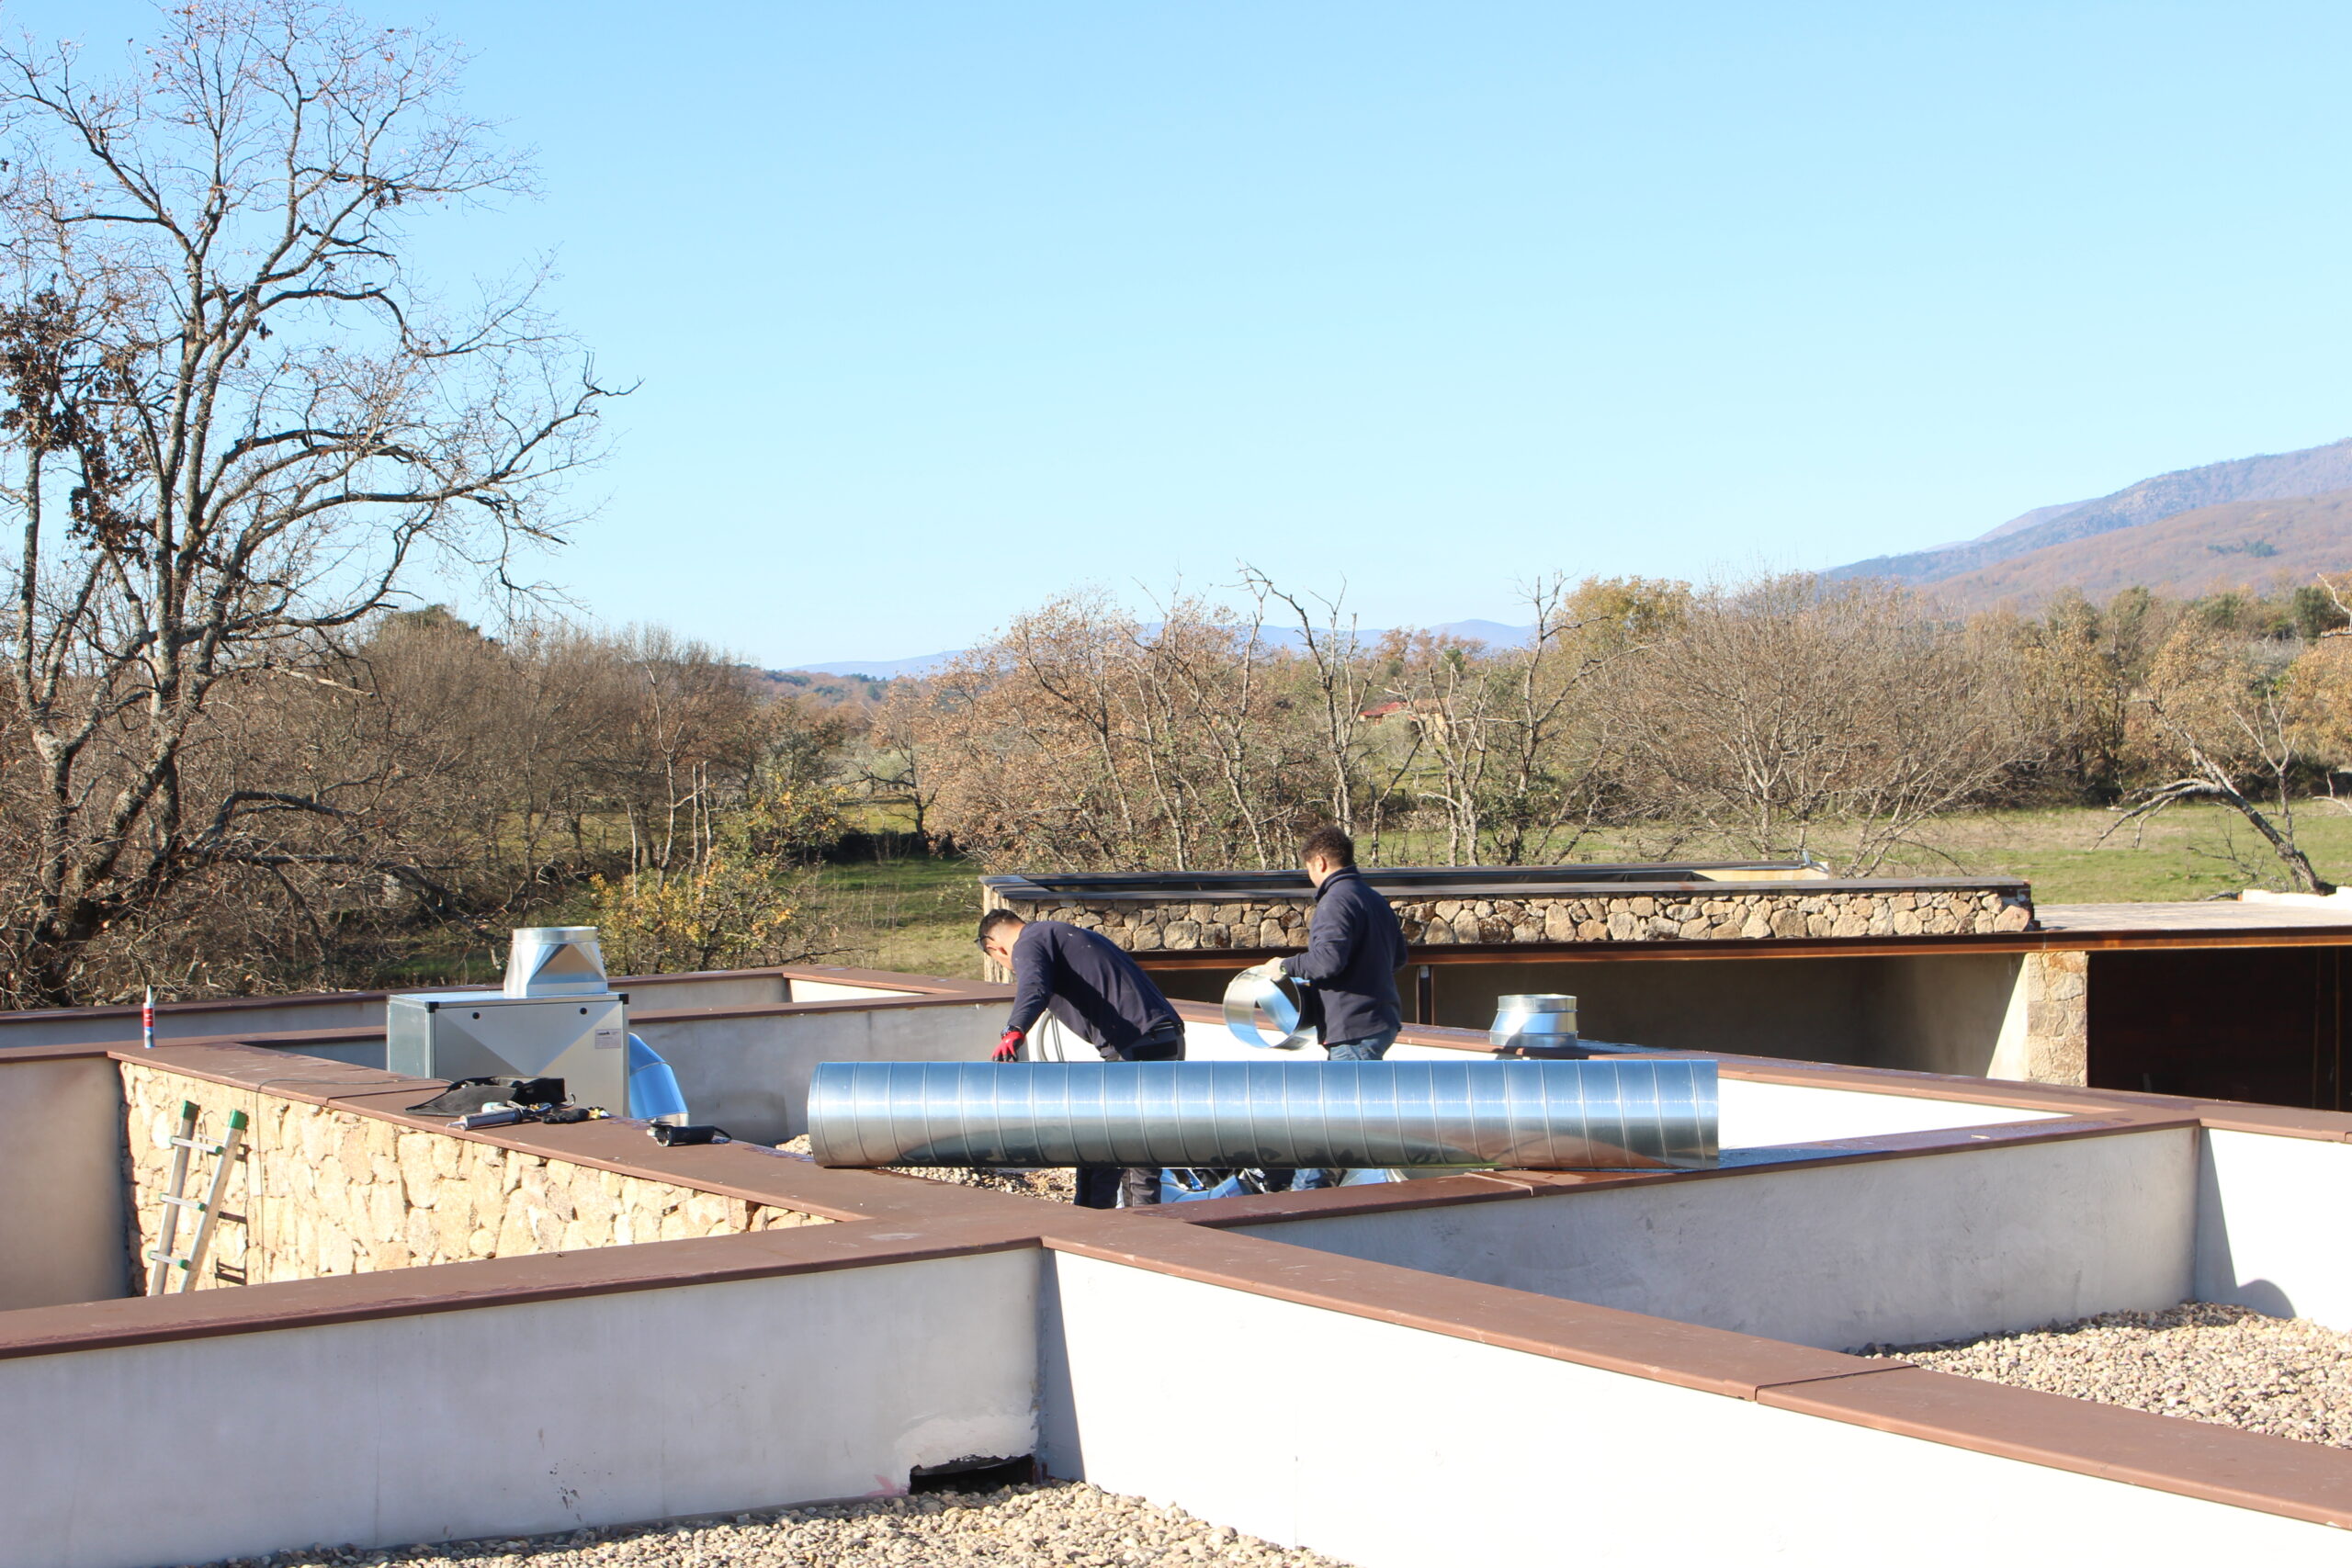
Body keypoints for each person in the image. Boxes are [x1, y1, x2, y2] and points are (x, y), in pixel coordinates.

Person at [978, 908, 1187, 1209]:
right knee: (1129, 1138)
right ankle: (1134, 1221)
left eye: (1003, 962)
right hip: (1165, 1037)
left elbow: (1034, 986)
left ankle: (1110, 1226)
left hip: (1138, 1043)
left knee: (1112, 1143)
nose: (1012, 967)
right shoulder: (1060, 933)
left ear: (996, 947)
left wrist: (1013, 1031)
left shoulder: (1027, 942)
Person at [1241, 825, 1408, 1190]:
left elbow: (1327, 961)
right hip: (1378, 1020)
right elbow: (1398, 958)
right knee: (1340, 1115)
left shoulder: (1336, 900)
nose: (1311, 878)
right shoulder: (1373, 898)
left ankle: (1307, 1200)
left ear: (1320, 861)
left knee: (1329, 1120)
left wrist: (1285, 966)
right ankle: (1314, 1192)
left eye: (1309, 869)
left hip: (1354, 1027)